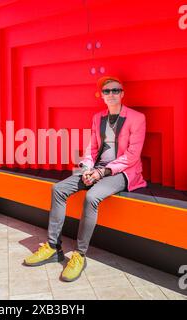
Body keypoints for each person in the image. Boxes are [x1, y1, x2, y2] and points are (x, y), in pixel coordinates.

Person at [23, 76, 147, 282]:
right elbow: (92, 149)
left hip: (121, 172)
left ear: (122, 93)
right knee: (58, 189)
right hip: (96, 169)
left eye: (115, 90)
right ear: (103, 96)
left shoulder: (137, 118)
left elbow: (132, 156)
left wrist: (102, 172)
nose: (111, 94)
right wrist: (87, 168)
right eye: (107, 91)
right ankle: (53, 247)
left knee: (91, 198)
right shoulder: (98, 117)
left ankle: (80, 255)